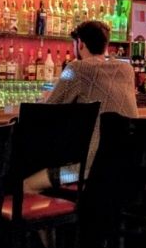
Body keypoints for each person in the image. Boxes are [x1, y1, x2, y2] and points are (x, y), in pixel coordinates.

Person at [24, 20, 138, 193]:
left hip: (85, 172)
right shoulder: (127, 69)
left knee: (27, 184)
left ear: (81, 44)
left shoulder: (75, 68)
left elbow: (47, 111)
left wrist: (46, 96)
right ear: (106, 45)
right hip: (127, 167)